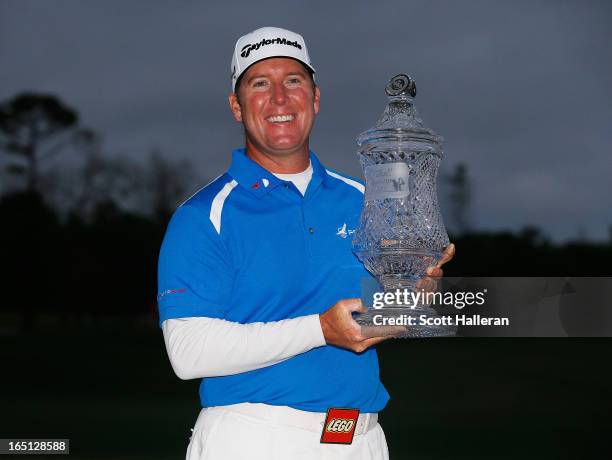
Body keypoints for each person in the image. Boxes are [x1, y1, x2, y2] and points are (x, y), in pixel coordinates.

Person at [157, 26, 455, 460]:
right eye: (260, 84)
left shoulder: (364, 200)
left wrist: (415, 293)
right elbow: (188, 352)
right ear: (236, 107)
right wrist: (319, 329)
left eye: (293, 81)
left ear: (314, 99)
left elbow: (375, 314)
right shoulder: (203, 215)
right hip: (254, 439)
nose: (279, 98)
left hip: (362, 439)